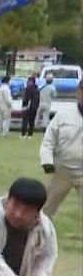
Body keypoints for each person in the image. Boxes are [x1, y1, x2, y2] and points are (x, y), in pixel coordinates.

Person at [40, 86, 82, 217]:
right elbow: (48, 140)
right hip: (62, 170)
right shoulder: (64, 114)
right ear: (79, 92)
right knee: (45, 210)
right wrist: (47, 161)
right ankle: (38, 234)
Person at [20, 71, 40, 138]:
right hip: (34, 108)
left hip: (27, 107)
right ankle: (30, 135)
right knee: (31, 122)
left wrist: (23, 106)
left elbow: (25, 98)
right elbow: (38, 100)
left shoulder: (27, 89)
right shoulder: (37, 89)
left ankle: (23, 134)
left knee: (25, 121)